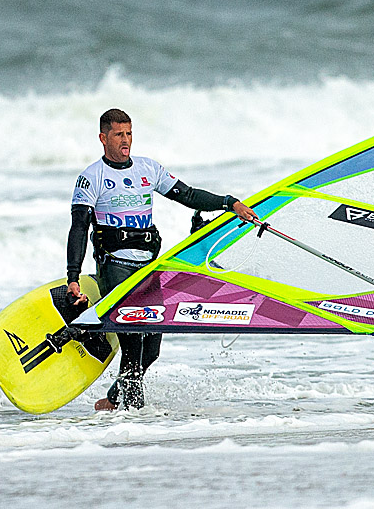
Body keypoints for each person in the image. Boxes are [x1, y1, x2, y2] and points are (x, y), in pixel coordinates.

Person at [66, 108, 257, 410]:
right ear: (103, 138)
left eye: (129, 133)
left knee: (151, 350)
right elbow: (79, 228)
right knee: (131, 344)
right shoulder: (92, 178)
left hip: (149, 267)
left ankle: (114, 400)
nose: (125, 140)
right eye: (118, 135)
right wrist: (73, 276)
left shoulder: (148, 169)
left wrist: (228, 202)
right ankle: (133, 416)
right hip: (115, 266)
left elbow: (189, 195)